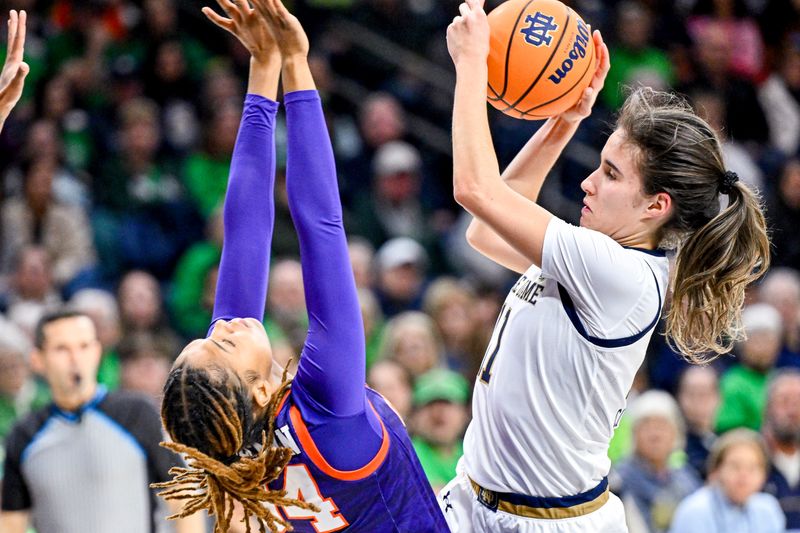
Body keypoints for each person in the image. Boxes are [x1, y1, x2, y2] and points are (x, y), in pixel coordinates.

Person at [440, 1, 770, 532]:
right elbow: (484, 232)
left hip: (546, 522)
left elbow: (475, 190)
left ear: (655, 207)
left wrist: (472, 64)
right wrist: (563, 120)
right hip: (475, 498)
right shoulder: (600, 256)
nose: (588, 183)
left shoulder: (617, 275)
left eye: (611, 174)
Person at [152, 1, 448, 532]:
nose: (223, 324)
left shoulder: (238, 447)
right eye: (220, 342)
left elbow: (245, 231)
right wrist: (297, 65)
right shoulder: (329, 413)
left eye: (205, 335)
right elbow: (322, 228)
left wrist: (261, 71)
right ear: (259, 391)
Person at [0, 310, 205, 533]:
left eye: (84, 346)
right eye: (62, 349)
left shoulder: (135, 414)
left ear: (97, 351)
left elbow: (184, 498)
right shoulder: (25, 435)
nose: (75, 359)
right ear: (37, 360)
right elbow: (12, 523)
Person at [669, 429, 785, 533]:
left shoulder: (768, 509)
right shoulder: (695, 511)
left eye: (752, 468)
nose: (744, 475)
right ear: (715, 471)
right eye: (735, 466)